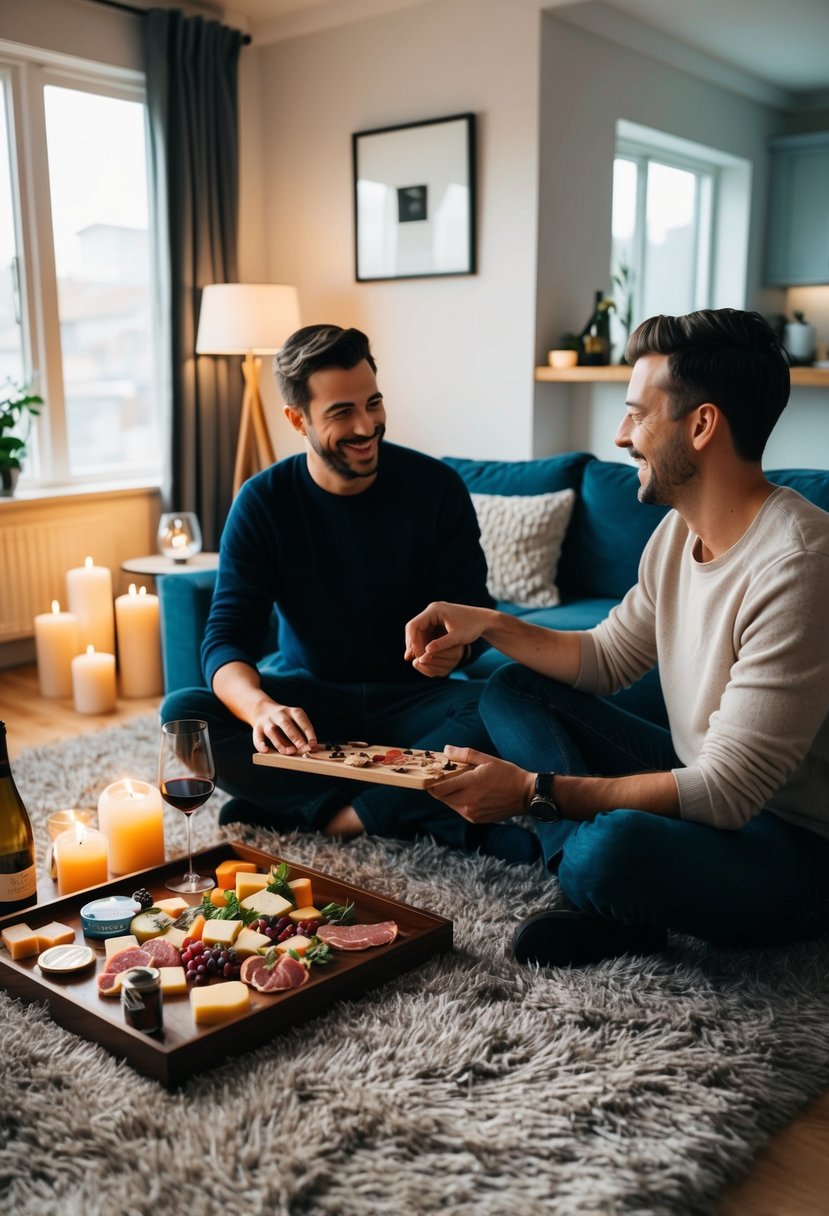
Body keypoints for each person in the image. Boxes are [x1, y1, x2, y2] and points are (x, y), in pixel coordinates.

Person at [404, 308, 829, 967]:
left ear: (701, 425)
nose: (621, 434)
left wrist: (531, 792)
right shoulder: (676, 532)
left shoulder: (798, 563)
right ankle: (595, 892)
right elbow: (605, 658)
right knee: (513, 687)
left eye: (636, 412)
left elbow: (725, 790)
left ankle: (592, 872)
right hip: (703, 787)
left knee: (614, 848)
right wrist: (487, 624)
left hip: (794, 849)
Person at [160, 323, 537, 862]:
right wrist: (262, 709)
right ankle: (428, 817)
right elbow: (225, 641)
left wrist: (458, 647)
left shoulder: (437, 489)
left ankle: (328, 815)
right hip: (311, 703)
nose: (367, 426)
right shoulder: (263, 502)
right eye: (341, 412)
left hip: (415, 704)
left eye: (374, 403)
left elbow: (476, 617)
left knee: (504, 706)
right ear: (298, 420)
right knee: (183, 714)